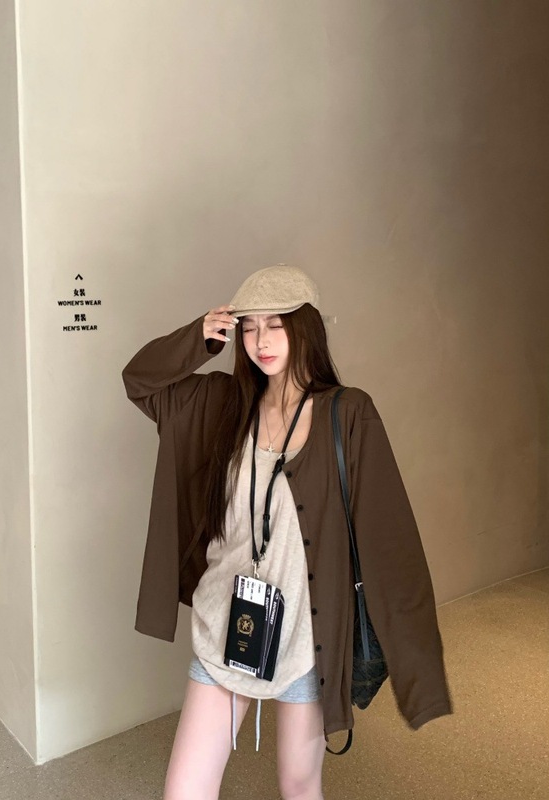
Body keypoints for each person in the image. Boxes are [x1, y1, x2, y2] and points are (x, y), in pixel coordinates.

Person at [121, 264, 452, 800]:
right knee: (184, 790)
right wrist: (197, 337)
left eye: (277, 325)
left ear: (306, 329)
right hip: (228, 620)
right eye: (250, 327)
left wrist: (419, 669)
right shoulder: (222, 403)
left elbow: (391, 542)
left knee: (299, 786)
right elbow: (139, 381)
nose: (261, 341)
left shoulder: (347, 413)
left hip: (305, 630)